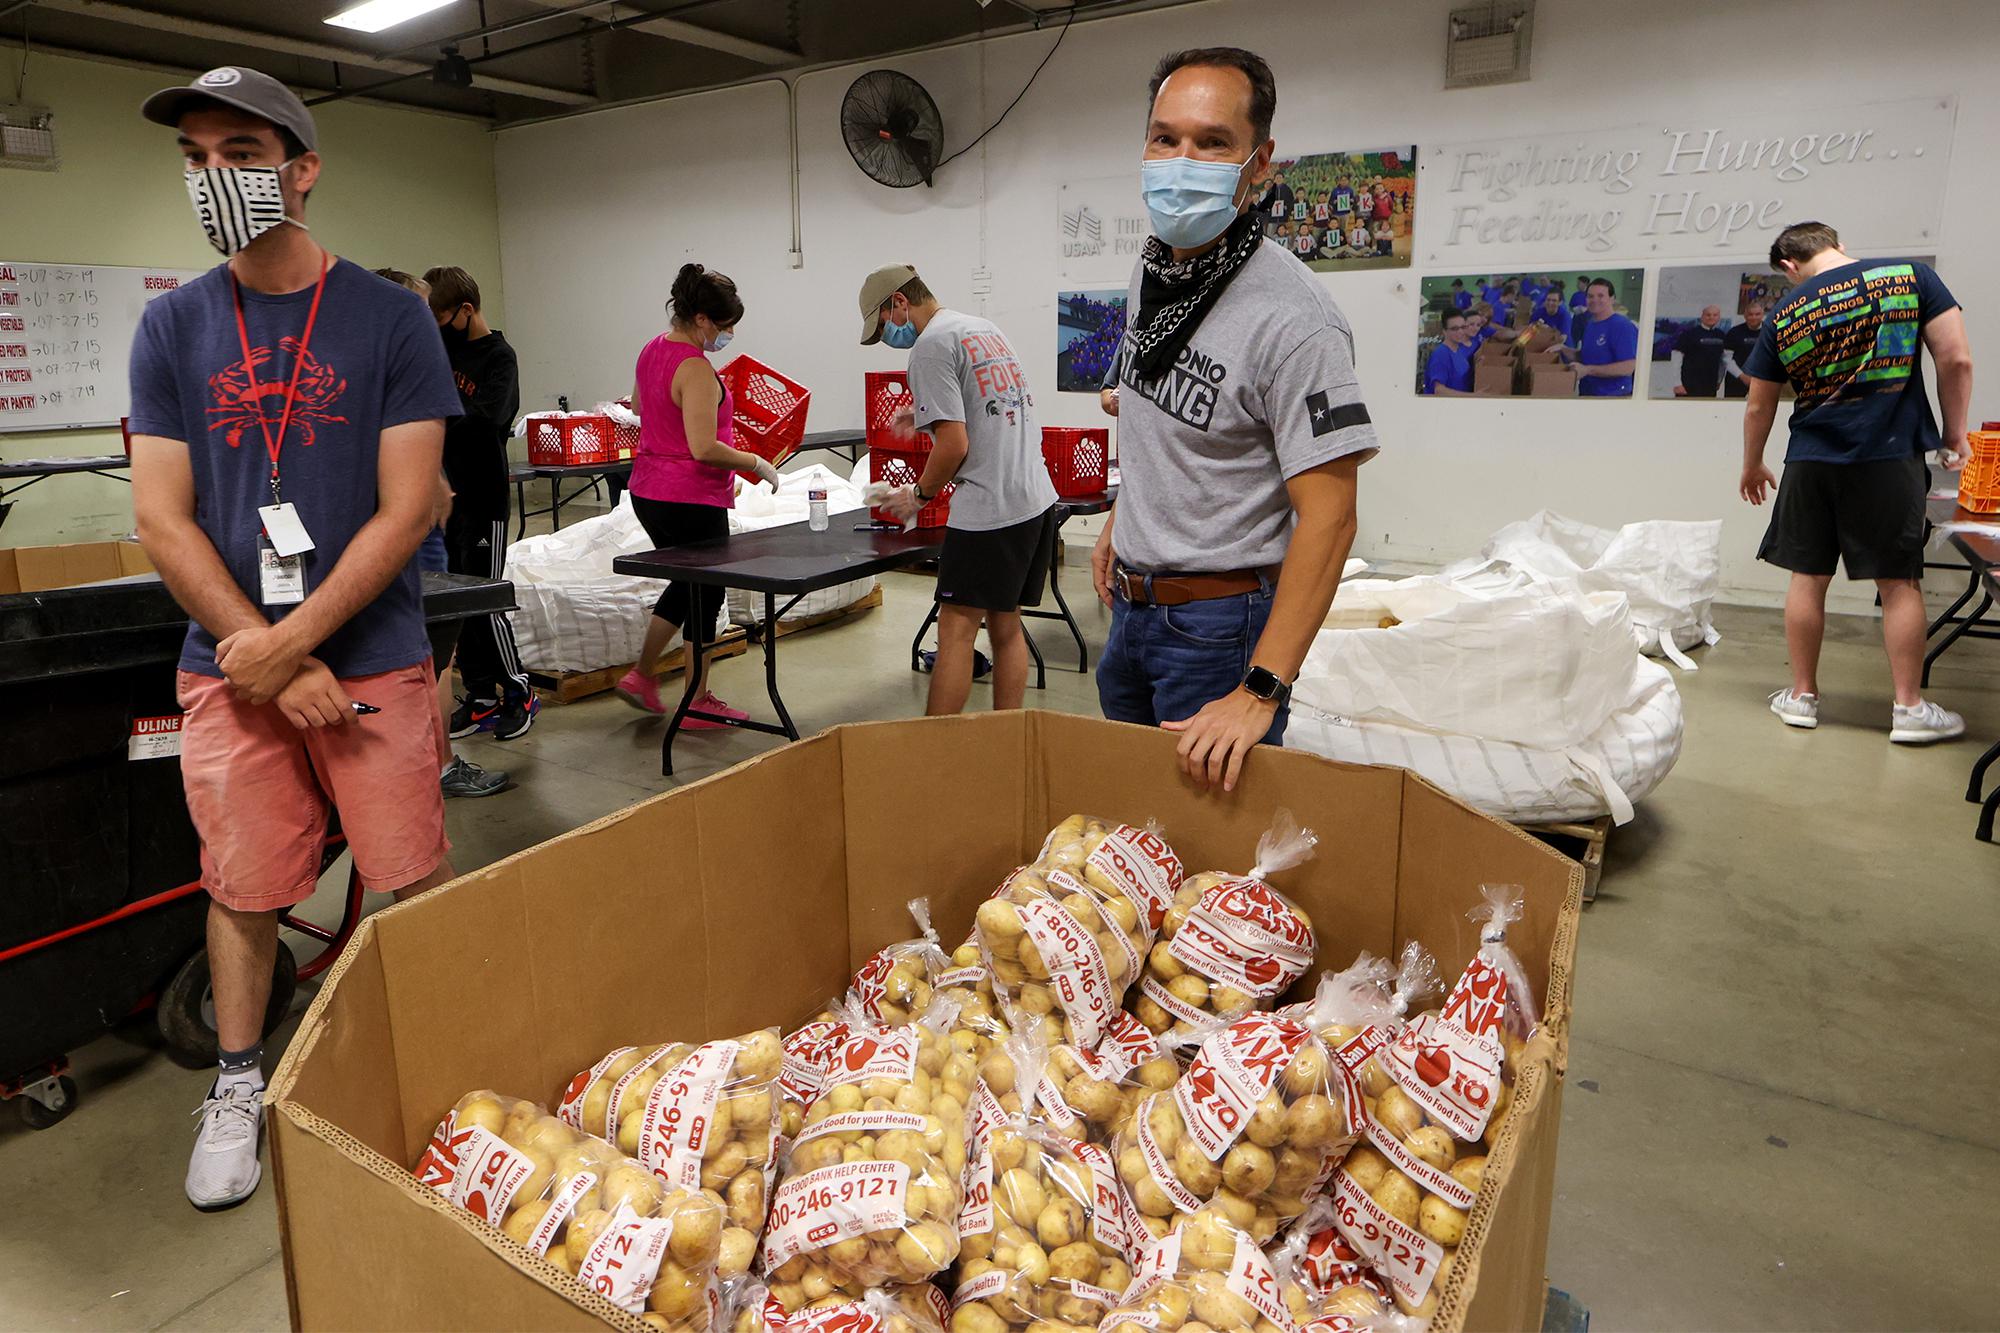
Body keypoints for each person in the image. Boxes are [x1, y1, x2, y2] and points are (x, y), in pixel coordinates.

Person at [128, 67, 463, 1209]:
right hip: (228, 665)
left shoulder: (388, 316)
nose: (214, 174)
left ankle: (429, 1068)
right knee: (244, 884)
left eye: (239, 150)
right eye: (193, 156)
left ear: (303, 168)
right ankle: (235, 1081)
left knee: (406, 878)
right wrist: (258, 650)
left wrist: (299, 644)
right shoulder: (172, 325)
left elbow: (407, 506)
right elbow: (161, 517)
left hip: (367, 659)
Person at [1094, 47, 1377, 791]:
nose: (1181, 160)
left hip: (1217, 627)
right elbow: (1153, 409)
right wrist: (1122, 520)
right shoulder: (1152, 272)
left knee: (1202, 851)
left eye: (1212, 142)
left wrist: (1261, 688)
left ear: (1259, 162)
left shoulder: (1298, 320)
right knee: (1135, 822)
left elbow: (1332, 517)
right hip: (1129, 610)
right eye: (1165, 137)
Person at [1739, 222, 1973, 743]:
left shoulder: (1785, 312)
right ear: (1838, 243)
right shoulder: (1909, 277)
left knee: (1807, 575)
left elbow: (1759, 402)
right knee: (1897, 580)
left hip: (1810, 459)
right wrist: (1955, 435)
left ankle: (1801, 697)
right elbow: (1955, 358)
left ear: (1788, 266)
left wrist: (1753, 463)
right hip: (1887, 454)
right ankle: (1909, 710)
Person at [859, 263, 1058, 716]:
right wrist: (925, 413)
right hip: (1033, 498)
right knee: (1006, 628)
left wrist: (919, 494)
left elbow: (953, 444)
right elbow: (990, 400)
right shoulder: (980, 327)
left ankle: (939, 751)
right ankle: (1007, 738)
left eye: (886, 323)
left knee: (955, 633)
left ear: (899, 303)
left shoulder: (929, 346)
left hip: (990, 510)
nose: (890, 334)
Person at [614, 264, 781, 720]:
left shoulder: (653, 349)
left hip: (649, 490)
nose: (728, 335)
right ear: (703, 318)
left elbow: (640, 406)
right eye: (726, 326)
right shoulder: (696, 368)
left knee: (688, 583)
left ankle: (643, 674)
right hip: (689, 496)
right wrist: (755, 463)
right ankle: (697, 702)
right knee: (705, 594)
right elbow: (704, 448)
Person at [372, 267, 506, 799]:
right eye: (420, 314)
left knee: (432, 652)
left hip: (424, 517)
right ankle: (438, 763)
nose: (430, 326)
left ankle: (433, 757)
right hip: (405, 525)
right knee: (426, 655)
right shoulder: (382, 370)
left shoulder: (413, 365)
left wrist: (437, 479)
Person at [422, 265, 535, 741]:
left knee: (486, 599)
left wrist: (437, 416)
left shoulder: (498, 357)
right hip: (446, 500)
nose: (439, 327)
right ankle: (482, 695)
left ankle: (519, 691)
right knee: (454, 601)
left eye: (444, 316)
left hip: (484, 496)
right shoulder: (442, 348)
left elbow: (489, 420)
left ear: (466, 311)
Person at [1558, 279, 1639, 396]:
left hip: (1612, 397)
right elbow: (1587, 356)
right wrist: (1563, 349)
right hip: (1588, 393)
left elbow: (1628, 366)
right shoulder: (1591, 324)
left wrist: (1587, 370)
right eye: (1590, 296)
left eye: (1600, 296)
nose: (1594, 300)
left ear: (1612, 299)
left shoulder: (1622, 326)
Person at [1672, 304, 1728, 398]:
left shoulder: (1721, 335)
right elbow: (1676, 358)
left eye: (1715, 315)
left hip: (1710, 386)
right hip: (1688, 386)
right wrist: (1677, 383)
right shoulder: (1689, 334)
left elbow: (1723, 361)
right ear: (1702, 316)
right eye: (1708, 315)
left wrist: (1719, 380)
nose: (1711, 317)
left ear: (1719, 317)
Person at [1422, 311, 1475, 396]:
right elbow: (1439, 391)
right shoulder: (1441, 355)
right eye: (1455, 329)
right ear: (1444, 331)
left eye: (1463, 327)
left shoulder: (1459, 350)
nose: (1460, 332)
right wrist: (1475, 396)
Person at [1721, 300, 1766, 399]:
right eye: (1750, 314)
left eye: (1757, 314)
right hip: (1736, 379)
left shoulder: (1769, 332)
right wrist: (1742, 376)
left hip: (1762, 381)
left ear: (1763, 314)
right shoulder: (1734, 332)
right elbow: (1726, 359)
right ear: (1745, 315)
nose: (1754, 317)